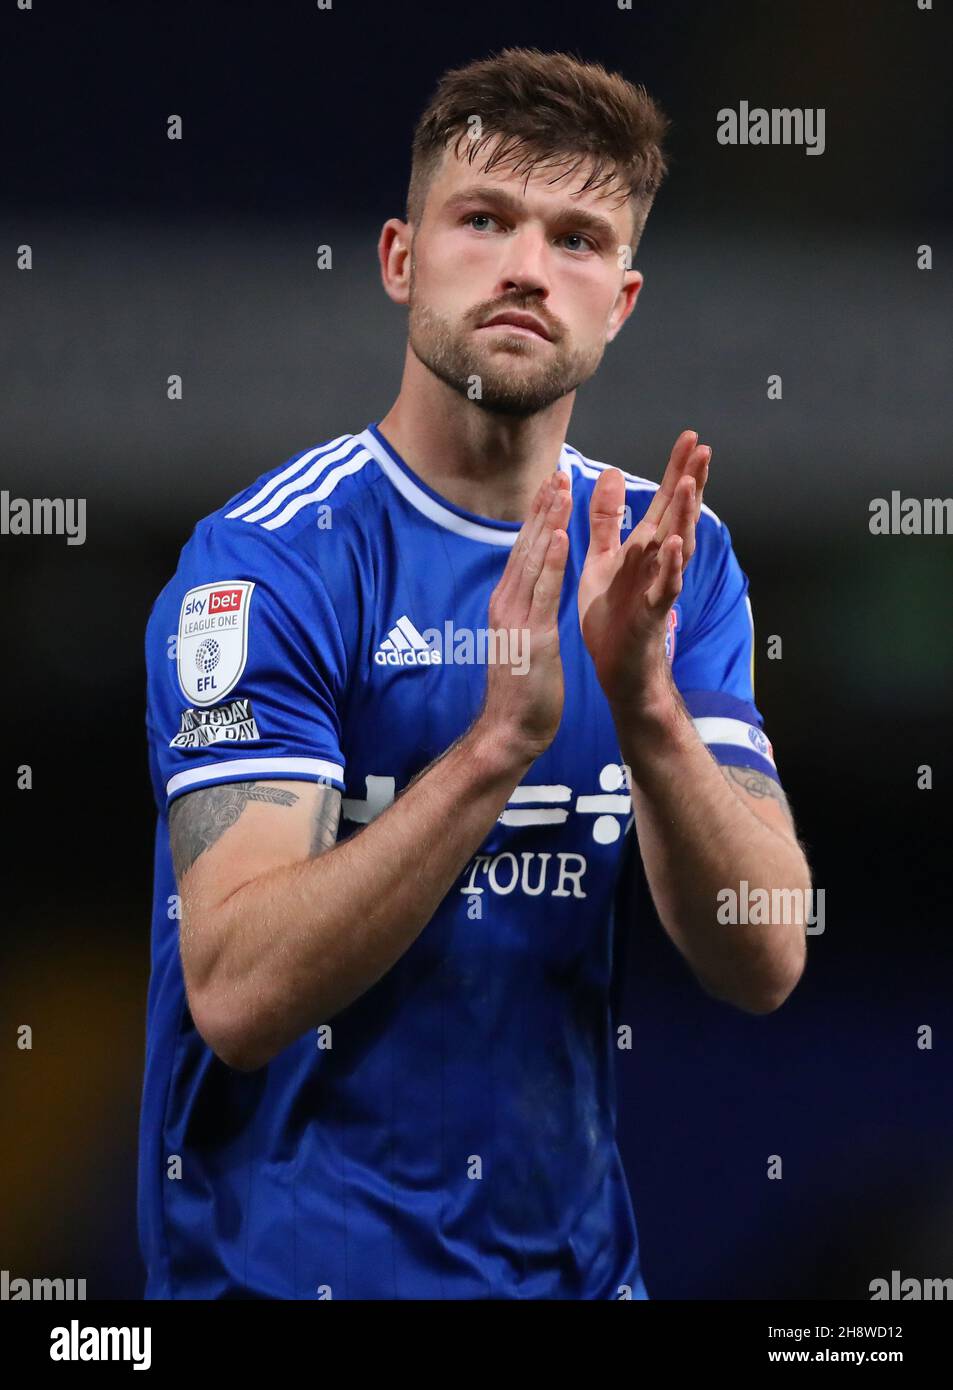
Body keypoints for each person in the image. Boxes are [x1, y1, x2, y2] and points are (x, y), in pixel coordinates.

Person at [138, 47, 811, 1300]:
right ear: (401, 259)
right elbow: (232, 988)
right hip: (285, 1280)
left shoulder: (671, 560)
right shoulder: (273, 566)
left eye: (575, 238)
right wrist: (499, 745)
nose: (524, 267)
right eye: (484, 219)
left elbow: (764, 955)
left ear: (620, 300)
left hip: (573, 1275)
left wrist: (648, 708)